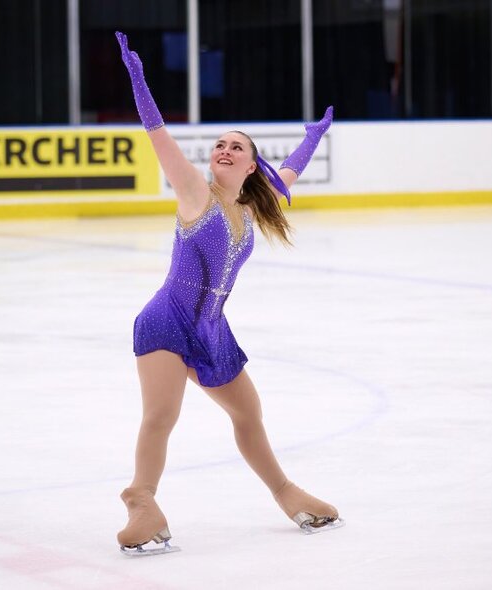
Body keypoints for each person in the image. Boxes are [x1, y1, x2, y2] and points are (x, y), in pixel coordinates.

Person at [114, 31, 342, 556]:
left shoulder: (249, 208)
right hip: (167, 320)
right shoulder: (197, 193)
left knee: (248, 411)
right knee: (161, 416)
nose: (223, 148)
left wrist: (313, 137)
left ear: (248, 167)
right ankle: (141, 501)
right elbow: (158, 138)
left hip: (212, 330)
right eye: (219, 143)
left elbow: (286, 175)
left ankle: (287, 493)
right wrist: (138, 79)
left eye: (236, 146)